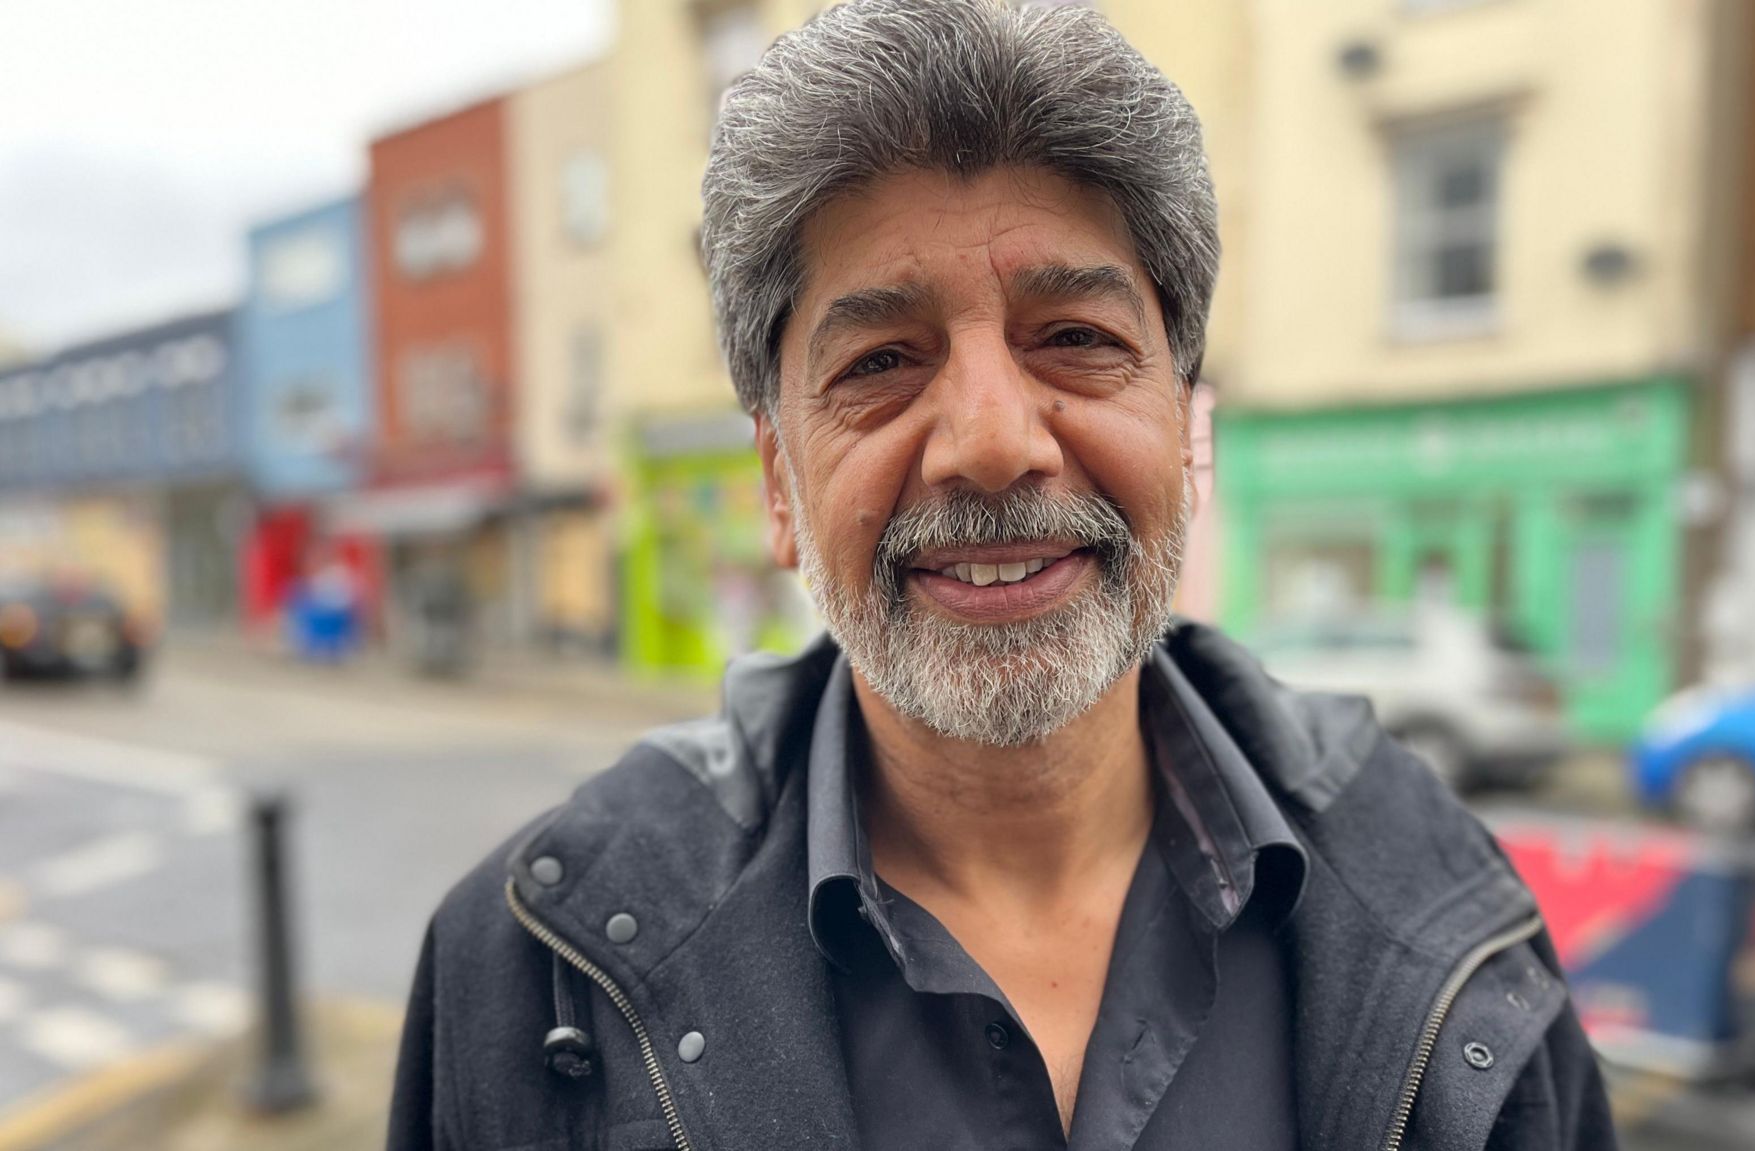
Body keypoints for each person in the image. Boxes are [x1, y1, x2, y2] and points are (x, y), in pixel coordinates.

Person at [387, 3, 1612, 1148]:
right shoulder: (522, 970)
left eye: (1074, 339)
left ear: (1188, 435)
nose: (989, 439)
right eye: (880, 359)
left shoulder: (1446, 904)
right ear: (776, 480)